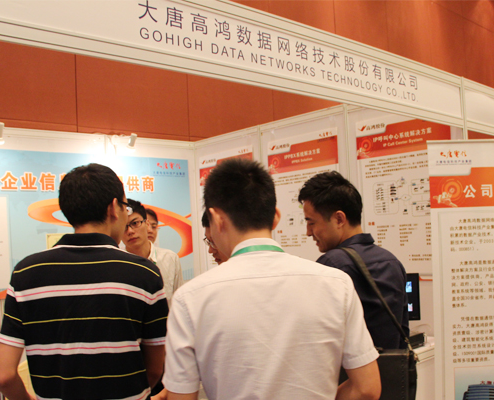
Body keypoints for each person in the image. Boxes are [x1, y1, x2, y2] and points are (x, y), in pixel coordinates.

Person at [160, 158, 380, 400]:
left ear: (217, 219)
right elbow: (367, 388)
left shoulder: (190, 299)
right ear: (275, 217)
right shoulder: (337, 284)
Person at [0, 163, 168, 400]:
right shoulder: (144, 273)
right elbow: (156, 368)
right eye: (125, 207)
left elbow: (3, 376)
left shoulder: (26, 273)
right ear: (113, 208)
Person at [298, 170, 409, 350]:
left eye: (311, 223)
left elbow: (317, 338)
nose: (308, 232)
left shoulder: (332, 265)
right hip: (390, 367)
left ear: (339, 219)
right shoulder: (392, 262)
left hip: (352, 368)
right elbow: (403, 331)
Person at [121, 199, 184, 306]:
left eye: (135, 223)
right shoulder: (117, 264)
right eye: (123, 226)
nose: (130, 231)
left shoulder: (170, 259)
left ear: (147, 224)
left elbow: (179, 302)